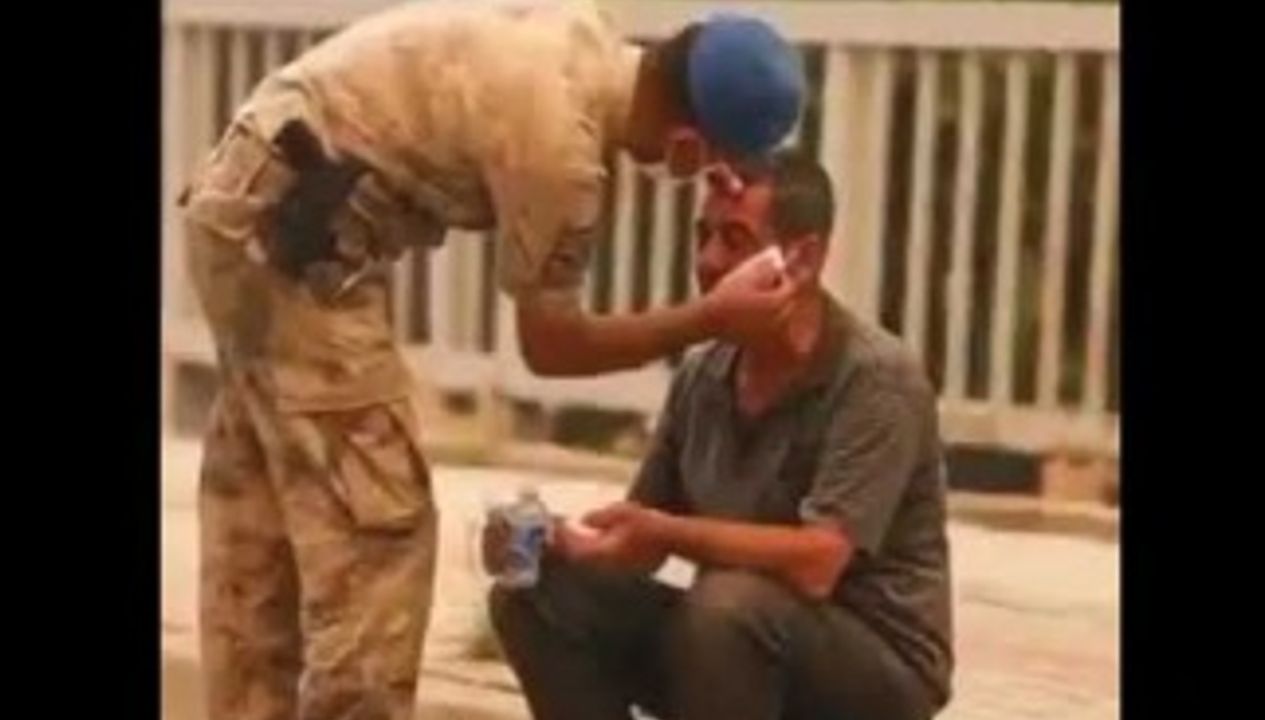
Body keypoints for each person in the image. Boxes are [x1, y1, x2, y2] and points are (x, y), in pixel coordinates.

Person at [177, 0, 807, 718]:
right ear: (689, 148)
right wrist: (712, 318)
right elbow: (551, 346)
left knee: (263, 519)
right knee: (378, 535)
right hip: (298, 247)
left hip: (240, 202)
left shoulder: (580, 34)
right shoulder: (561, 156)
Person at [488, 150, 954, 720]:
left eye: (735, 240)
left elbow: (818, 562)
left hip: (874, 666)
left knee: (726, 607)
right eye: (703, 236)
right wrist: (564, 544)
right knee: (538, 595)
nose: (709, 261)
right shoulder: (703, 375)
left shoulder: (876, 379)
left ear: (803, 259)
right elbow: (643, 540)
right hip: (733, 645)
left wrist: (666, 530)